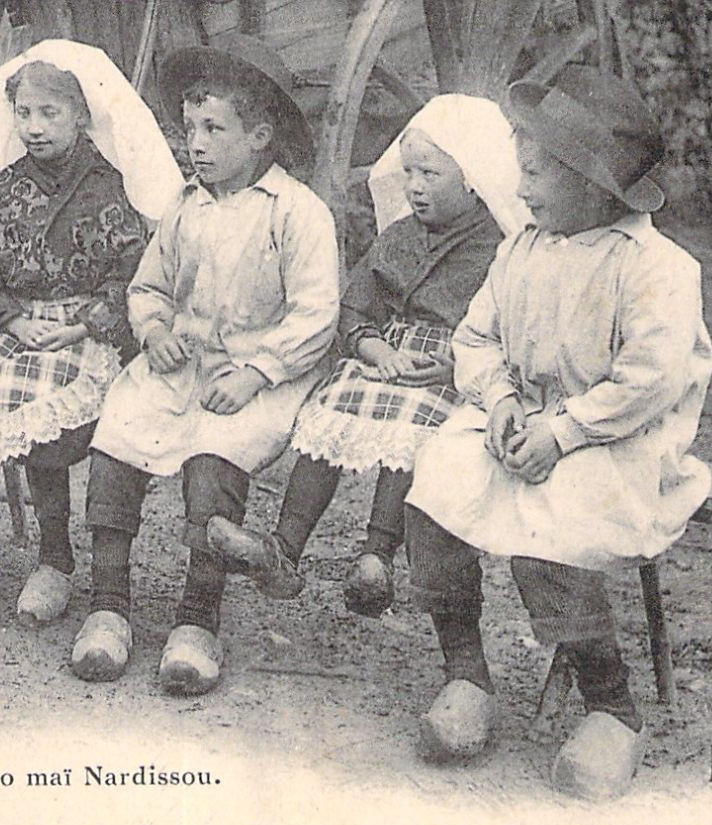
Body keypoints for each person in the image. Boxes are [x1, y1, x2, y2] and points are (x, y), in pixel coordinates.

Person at [403, 65, 712, 799]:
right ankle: (464, 674)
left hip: (619, 441)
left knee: (552, 518)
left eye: (536, 172)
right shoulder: (523, 248)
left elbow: (648, 380)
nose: (519, 188)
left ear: (591, 183)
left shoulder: (656, 267)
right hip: (528, 421)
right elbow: (474, 338)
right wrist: (502, 399)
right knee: (437, 481)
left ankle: (611, 706)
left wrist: (563, 430)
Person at [73, 35, 340, 695]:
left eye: (213, 129)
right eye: (189, 128)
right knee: (118, 434)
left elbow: (315, 316)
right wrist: (155, 328)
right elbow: (149, 285)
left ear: (259, 136)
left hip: (256, 370)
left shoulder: (297, 214)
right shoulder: (185, 207)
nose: (195, 142)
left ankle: (197, 618)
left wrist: (258, 372)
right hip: (183, 361)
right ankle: (107, 604)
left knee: (213, 457)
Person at [221, 95, 531, 614]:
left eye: (430, 173)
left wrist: (456, 366)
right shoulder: (398, 237)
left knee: (413, 432)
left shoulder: (501, 250)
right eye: (409, 172)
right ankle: (284, 548)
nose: (414, 186)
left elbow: (513, 333)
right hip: (385, 353)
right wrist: (370, 345)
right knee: (329, 414)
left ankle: (376, 555)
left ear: (473, 177)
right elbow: (355, 306)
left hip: (454, 368)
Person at [0, 41, 184, 622]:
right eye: (25, 114)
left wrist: (81, 325)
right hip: (16, 319)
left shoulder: (106, 185)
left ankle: (54, 559)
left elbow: (133, 273)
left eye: (50, 114)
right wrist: (11, 318)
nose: (34, 128)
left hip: (81, 331)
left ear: (81, 116)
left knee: (43, 405)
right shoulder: (6, 186)